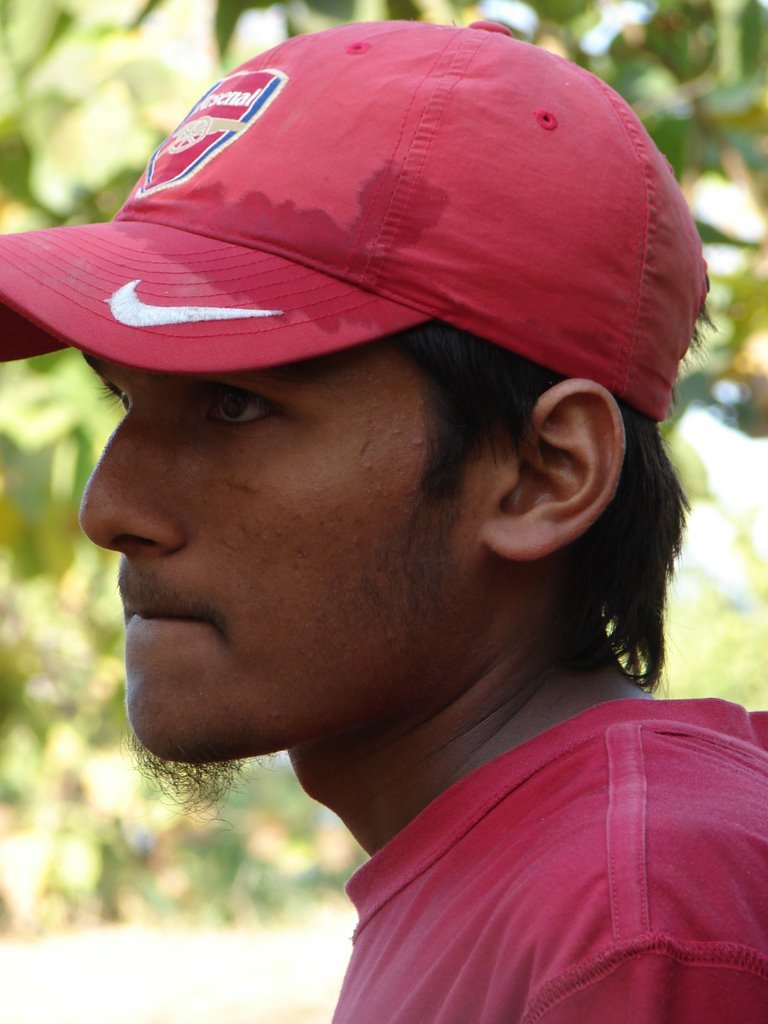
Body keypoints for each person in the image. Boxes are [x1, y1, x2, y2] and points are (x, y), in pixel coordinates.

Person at [1, 18, 767, 1022]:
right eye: (124, 399)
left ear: (544, 474)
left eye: (235, 404)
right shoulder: (542, 884)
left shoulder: (640, 923)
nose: (109, 510)